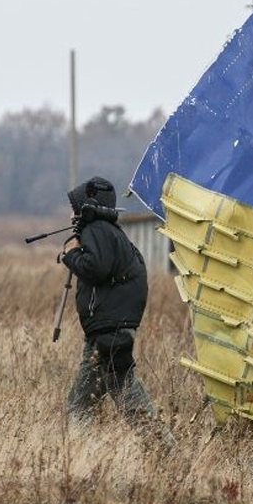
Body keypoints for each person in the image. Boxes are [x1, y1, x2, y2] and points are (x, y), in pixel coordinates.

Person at [60, 176, 161, 433]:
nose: (71, 214)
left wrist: (71, 255)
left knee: (119, 392)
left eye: (74, 207)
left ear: (85, 206)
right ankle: (81, 455)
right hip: (107, 330)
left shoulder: (96, 230)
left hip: (110, 330)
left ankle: (164, 451)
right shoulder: (109, 231)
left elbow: (96, 268)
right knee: (85, 400)